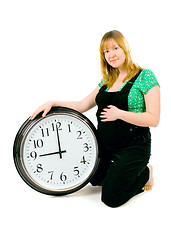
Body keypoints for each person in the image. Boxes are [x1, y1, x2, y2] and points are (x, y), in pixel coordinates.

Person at [30, 30, 160, 208]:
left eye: (115, 48)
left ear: (125, 49)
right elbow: (82, 105)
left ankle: (145, 172)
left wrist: (119, 114)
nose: (111, 54)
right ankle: (121, 171)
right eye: (106, 51)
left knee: (111, 198)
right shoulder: (107, 80)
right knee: (93, 179)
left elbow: (154, 119)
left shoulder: (145, 76)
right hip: (105, 145)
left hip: (133, 147)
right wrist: (53, 102)